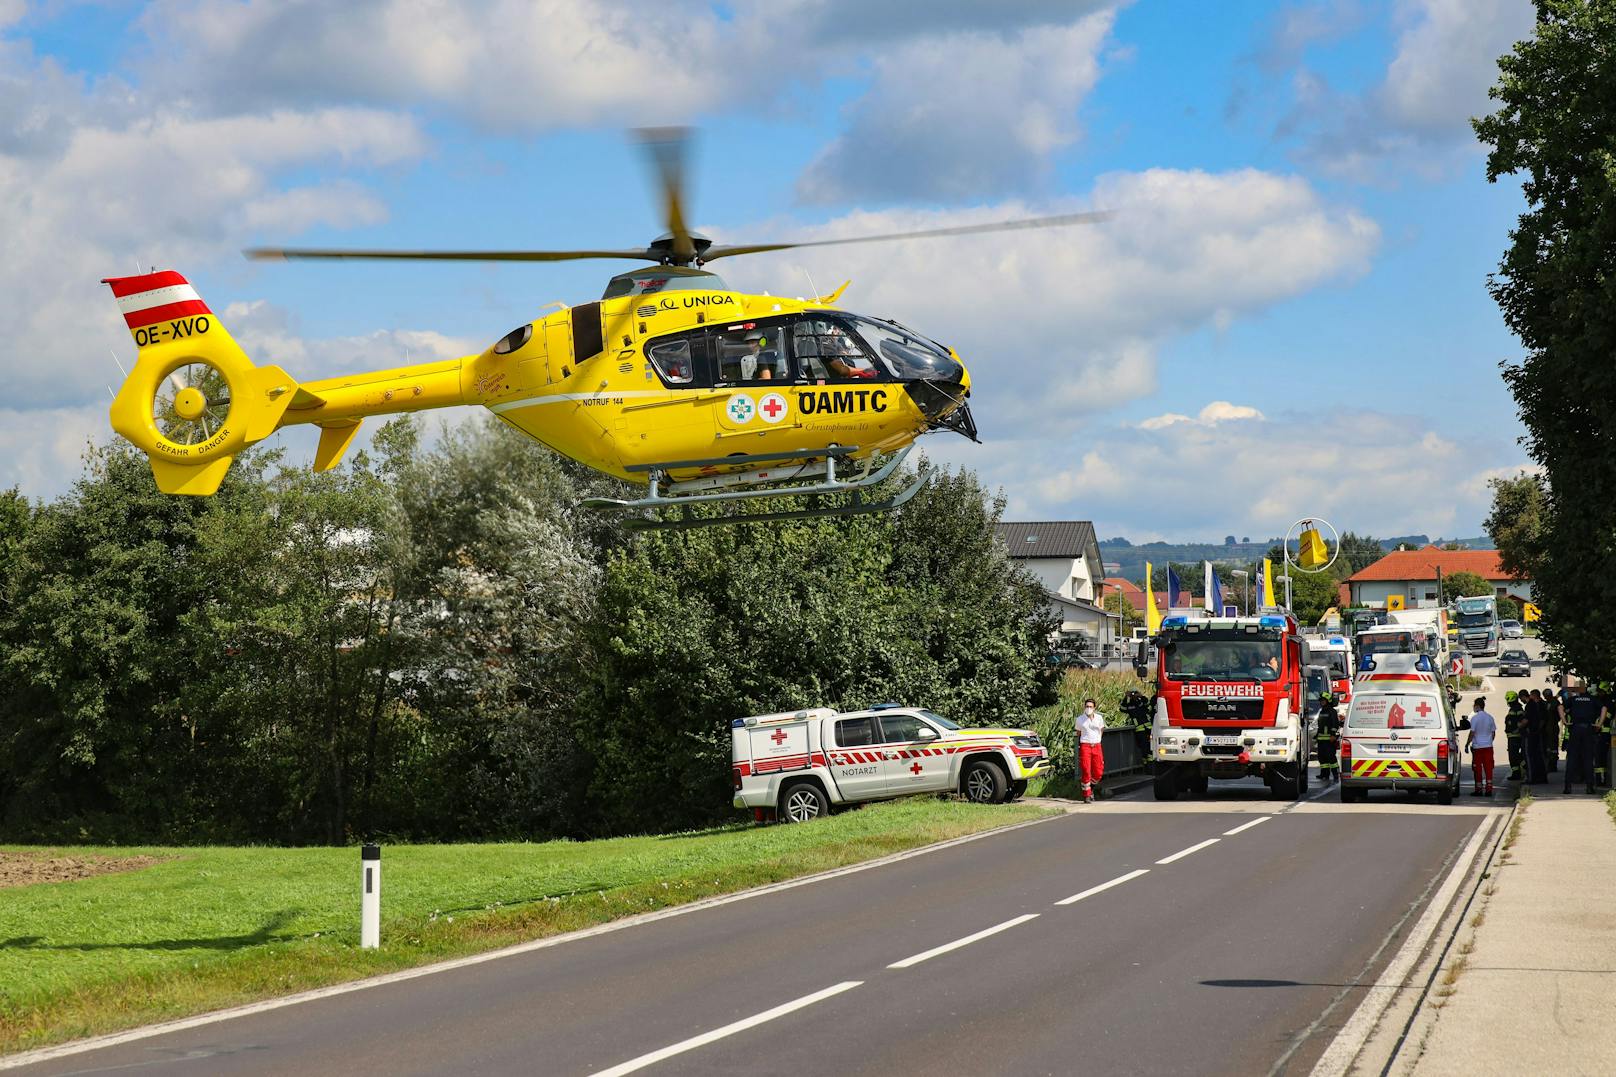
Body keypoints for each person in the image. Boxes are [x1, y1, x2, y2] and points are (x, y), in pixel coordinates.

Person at [1562, 683, 1603, 795]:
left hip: (1575, 729)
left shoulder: (1573, 699)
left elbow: (1560, 707)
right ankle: (1589, 787)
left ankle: (1567, 787)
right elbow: (1604, 708)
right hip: (1588, 729)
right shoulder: (1592, 699)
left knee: (1572, 758)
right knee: (1588, 759)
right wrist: (1599, 723)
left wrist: (1565, 722)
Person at [1465, 697, 1497, 796]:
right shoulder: (1490, 717)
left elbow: (1472, 733)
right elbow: (1493, 733)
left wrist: (1467, 744)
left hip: (1477, 748)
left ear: (1477, 706)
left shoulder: (1475, 718)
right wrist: (1489, 742)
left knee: (1477, 769)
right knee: (1488, 769)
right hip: (1488, 747)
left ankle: (1478, 789)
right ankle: (1489, 789)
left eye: (1474, 705)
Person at [1076, 697, 1106, 804]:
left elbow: (1101, 729)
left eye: (1091, 707)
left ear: (1094, 708)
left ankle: (1091, 787)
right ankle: (1087, 795)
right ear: (1084, 707)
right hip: (1085, 746)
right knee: (1086, 770)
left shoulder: (1099, 718)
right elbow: (1078, 733)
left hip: (1096, 745)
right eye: (1087, 706)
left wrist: (1098, 740)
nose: (1088, 708)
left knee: (1098, 771)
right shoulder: (1080, 719)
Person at [1315, 691, 1341, 783]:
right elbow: (1321, 725)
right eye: (1321, 701)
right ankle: (1324, 775)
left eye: (1323, 700)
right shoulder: (1322, 711)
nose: (1322, 702)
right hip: (1321, 739)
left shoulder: (1332, 711)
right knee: (1322, 758)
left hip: (1330, 739)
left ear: (1328, 701)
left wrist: (1333, 735)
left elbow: (1335, 724)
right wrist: (1317, 736)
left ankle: (1335, 774)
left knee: (1331, 758)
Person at [1523, 689, 1548, 784]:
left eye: (1531, 695)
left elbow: (1542, 719)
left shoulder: (1535, 705)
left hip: (1535, 734)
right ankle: (1540, 777)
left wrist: (1537, 730)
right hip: (1537, 733)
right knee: (1538, 756)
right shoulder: (1538, 704)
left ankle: (1533, 778)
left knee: (1532, 756)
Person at [1504, 691, 1527, 783]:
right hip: (1513, 736)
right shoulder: (1515, 708)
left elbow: (1521, 721)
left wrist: (1516, 729)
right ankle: (1517, 772)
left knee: (1514, 756)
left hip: (1515, 736)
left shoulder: (1517, 709)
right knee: (1514, 755)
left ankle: (1521, 770)